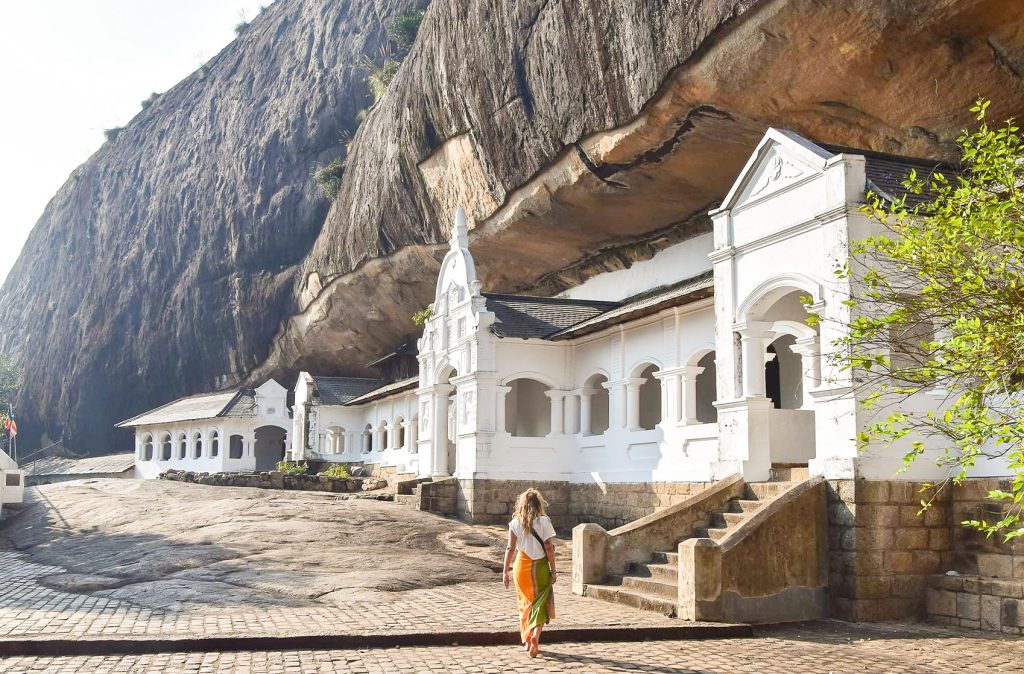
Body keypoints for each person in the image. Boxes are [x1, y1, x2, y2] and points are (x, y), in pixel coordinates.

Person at [502, 488, 557, 658]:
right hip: (539, 567)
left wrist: (505, 571)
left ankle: (527, 640)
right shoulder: (544, 522)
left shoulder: (515, 523)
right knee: (541, 603)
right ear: (539, 504)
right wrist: (553, 570)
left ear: (522, 504)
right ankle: (535, 636)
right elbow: (549, 547)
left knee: (525, 603)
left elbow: (510, 548)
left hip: (521, 567)